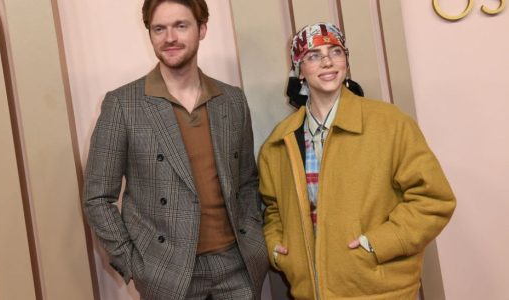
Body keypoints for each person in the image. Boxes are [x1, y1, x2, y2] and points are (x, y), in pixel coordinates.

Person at [83, 0, 268, 299]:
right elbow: (97, 197)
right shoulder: (123, 104)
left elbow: (247, 181)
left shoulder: (232, 100)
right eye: (159, 29)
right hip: (168, 275)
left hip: (237, 268)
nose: (170, 38)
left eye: (181, 26)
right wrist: (133, 264)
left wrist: (255, 239)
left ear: (202, 29)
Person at [258, 22, 456, 299]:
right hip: (310, 292)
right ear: (299, 70)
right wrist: (278, 249)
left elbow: (434, 200)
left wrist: (376, 244)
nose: (327, 61)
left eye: (335, 52)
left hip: (379, 291)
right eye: (314, 55)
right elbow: (273, 210)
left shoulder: (390, 123)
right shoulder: (279, 142)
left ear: (346, 61)